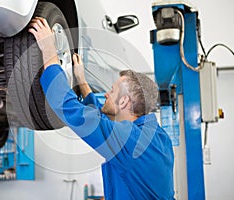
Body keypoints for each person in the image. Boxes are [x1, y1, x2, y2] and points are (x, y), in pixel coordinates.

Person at [28, 17, 174, 200]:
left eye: (111, 91)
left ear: (124, 102)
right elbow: (98, 118)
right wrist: (81, 81)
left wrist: (49, 51)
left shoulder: (130, 140)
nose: (105, 94)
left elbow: (72, 110)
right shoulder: (157, 137)